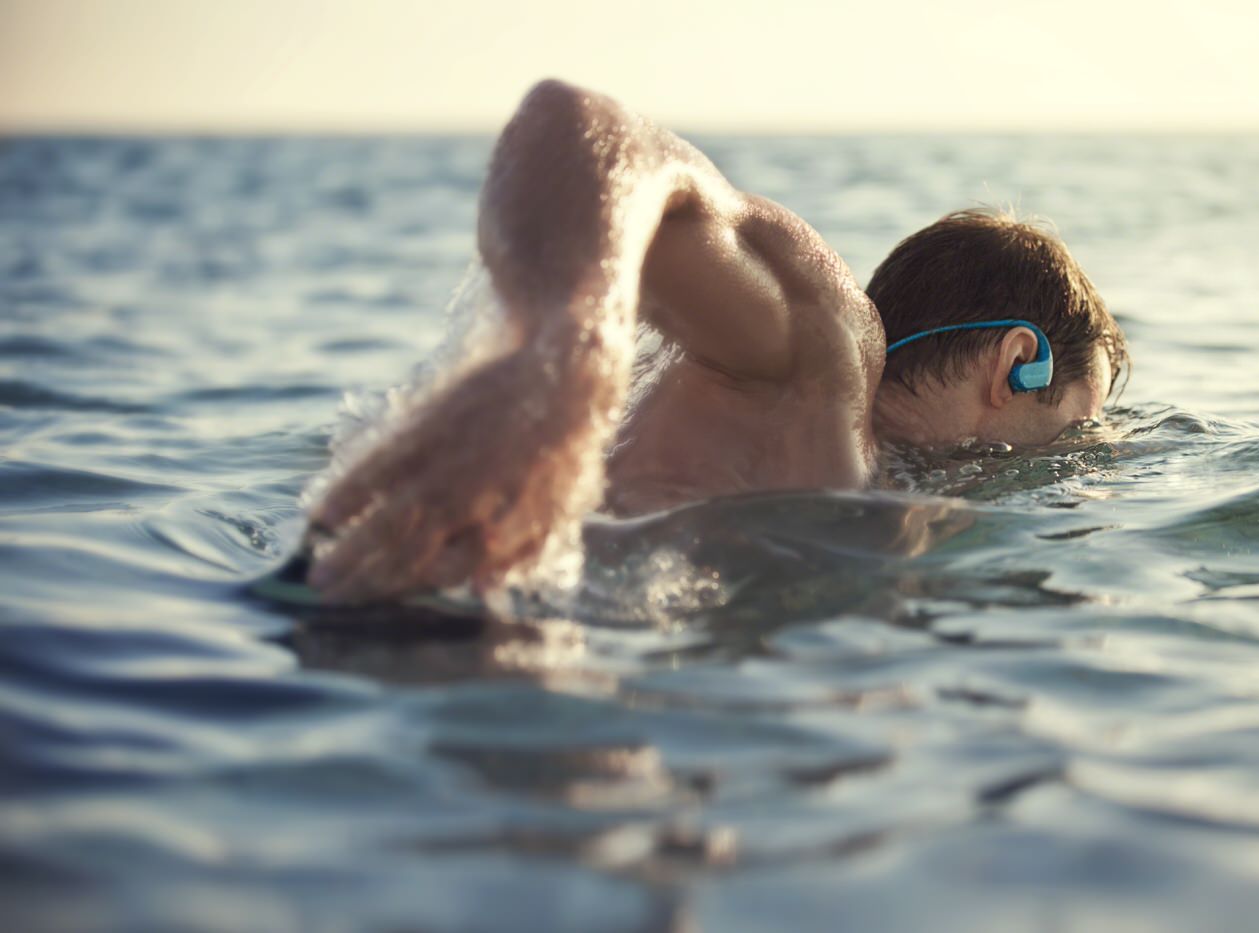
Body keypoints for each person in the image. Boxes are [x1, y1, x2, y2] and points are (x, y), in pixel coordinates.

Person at [305, 80, 1128, 604]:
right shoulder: (826, 364)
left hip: (373, 607)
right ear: (1017, 363)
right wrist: (571, 344)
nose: (1069, 452)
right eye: (1074, 423)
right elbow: (581, 122)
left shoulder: (848, 454)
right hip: (403, 621)